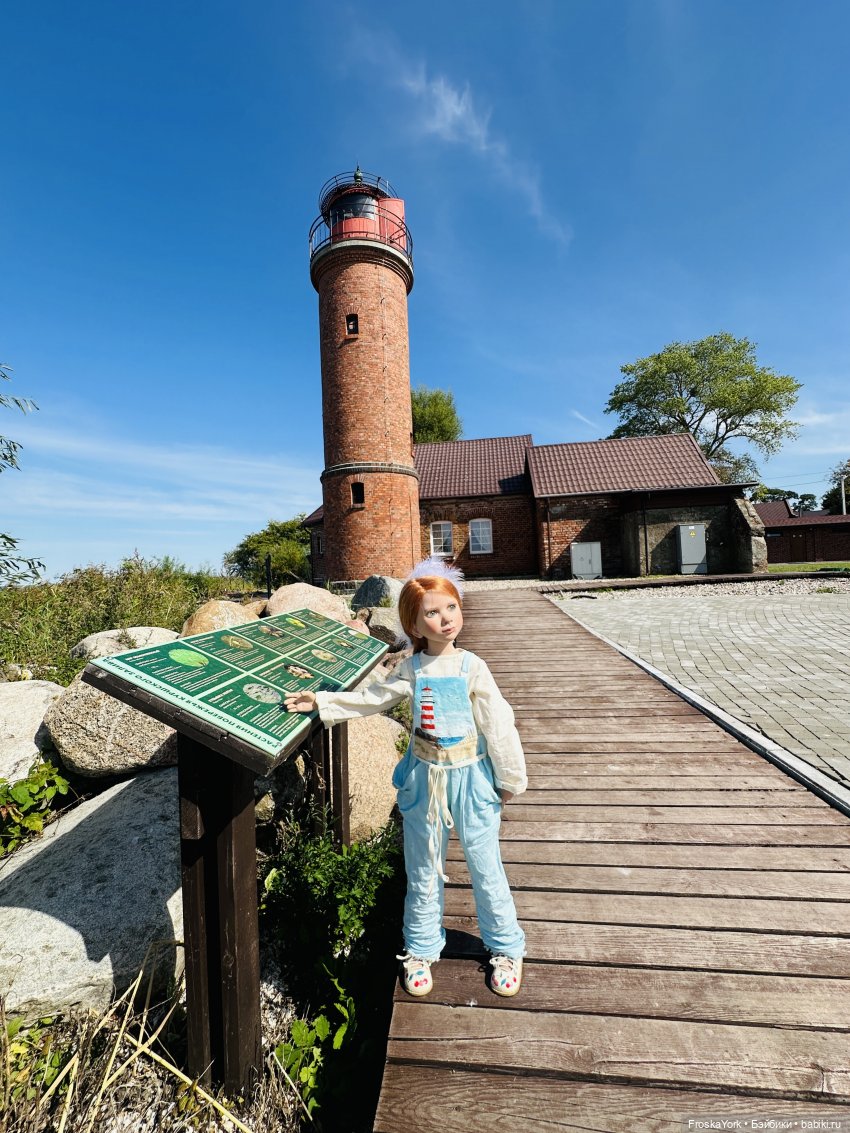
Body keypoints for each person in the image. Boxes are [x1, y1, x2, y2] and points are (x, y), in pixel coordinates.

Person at [284, 558, 527, 999]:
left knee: (485, 863)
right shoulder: (412, 669)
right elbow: (373, 699)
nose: (444, 619)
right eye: (431, 613)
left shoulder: (472, 666)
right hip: (425, 777)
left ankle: (506, 946)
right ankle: (420, 946)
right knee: (422, 865)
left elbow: (498, 723)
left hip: (471, 775)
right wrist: (322, 702)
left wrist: (508, 777)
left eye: (450, 607)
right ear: (414, 624)